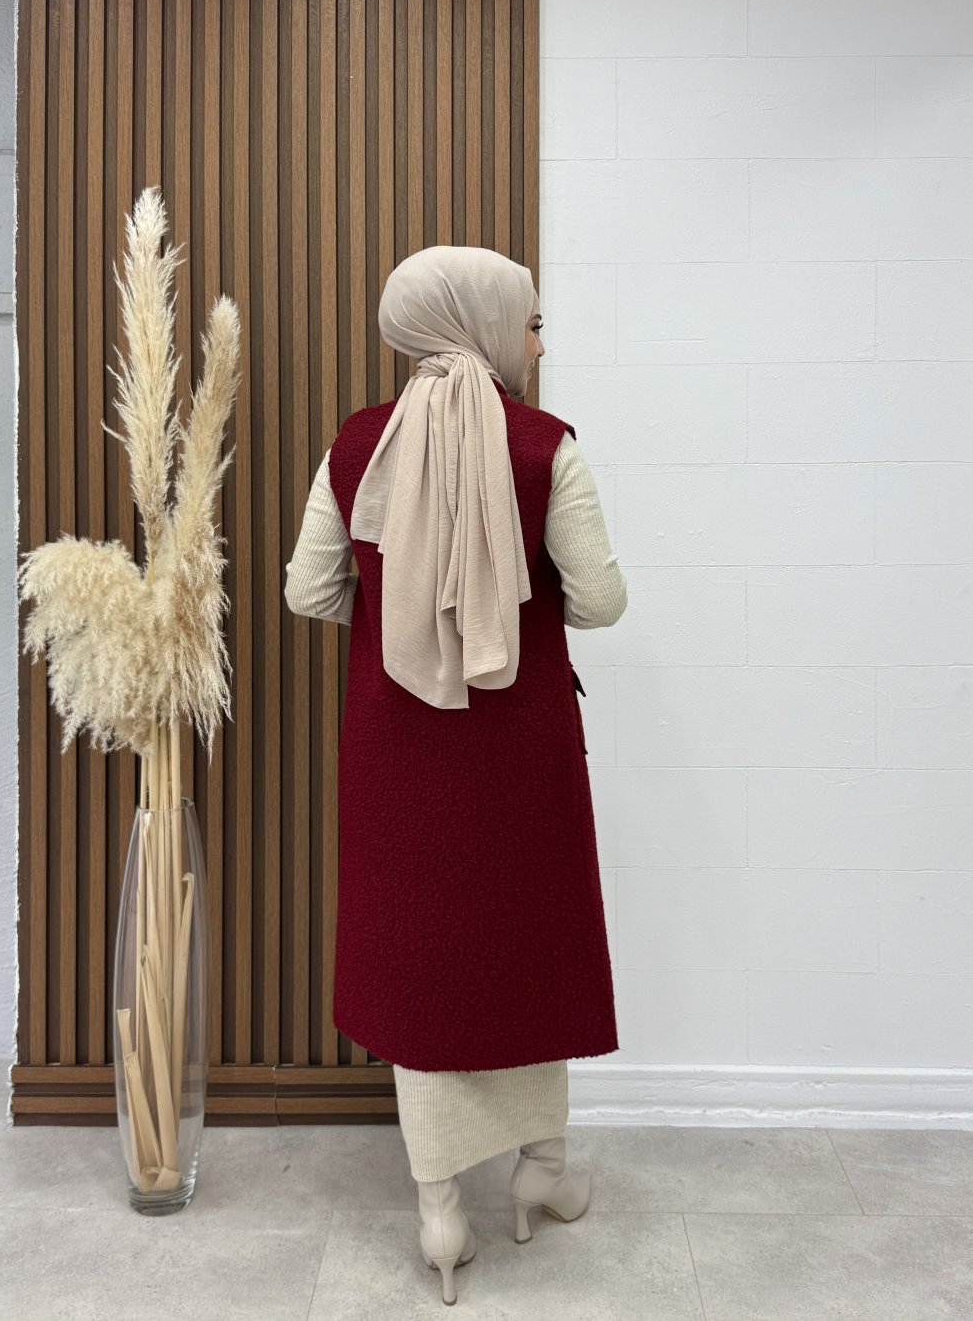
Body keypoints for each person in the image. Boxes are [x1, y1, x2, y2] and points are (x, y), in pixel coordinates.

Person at [284, 244, 627, 1305]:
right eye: (530, 321)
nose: (538, 344)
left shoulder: (355, 446)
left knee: (420, 956)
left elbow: (307, 591)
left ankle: (439, 1211)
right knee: (531, 944)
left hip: (399, 754)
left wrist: (402, 619)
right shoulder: (546, 448)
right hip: (519, 752)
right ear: (478, 322)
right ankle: (543, 1171)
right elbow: (601, 600)